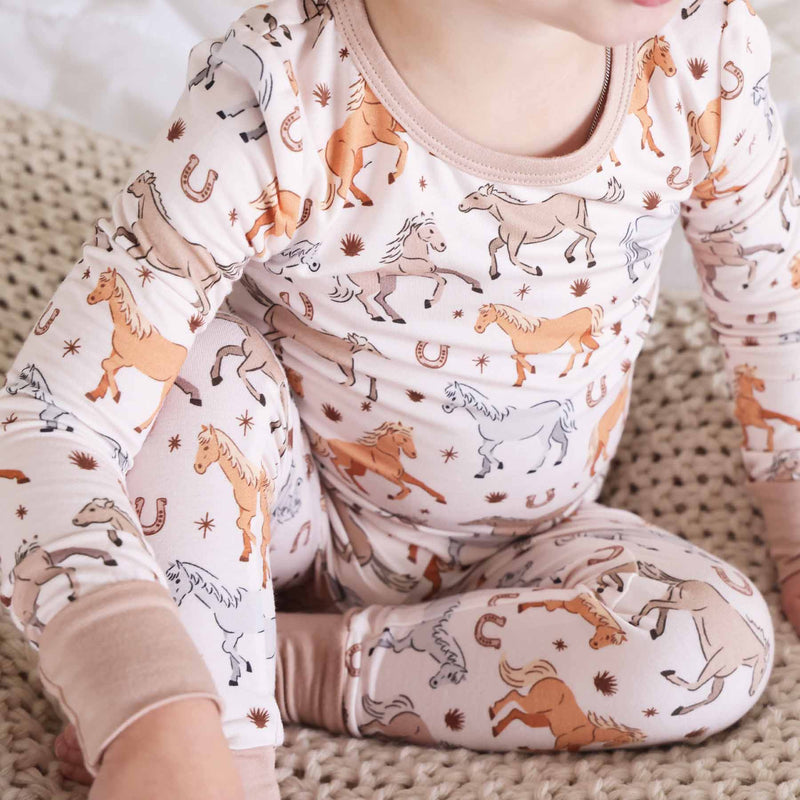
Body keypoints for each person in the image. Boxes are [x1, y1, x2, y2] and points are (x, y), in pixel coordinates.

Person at [0, 0, 795, 796]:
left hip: (529, 547)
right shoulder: (277, 92)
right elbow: (53, 421)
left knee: (714, 641)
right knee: (191, 373)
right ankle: (216, 726)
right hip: (280, 512)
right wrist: (155, 720)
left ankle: (290, 666)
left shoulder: (700, 54)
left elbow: (772, 303)